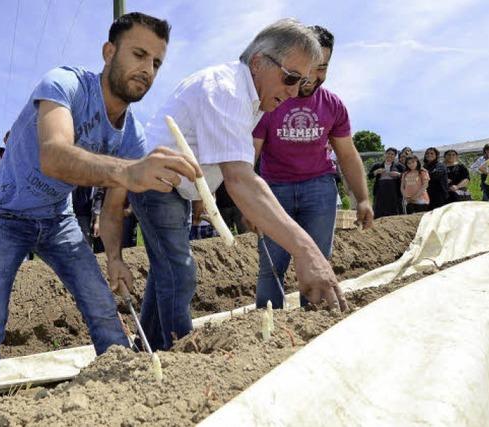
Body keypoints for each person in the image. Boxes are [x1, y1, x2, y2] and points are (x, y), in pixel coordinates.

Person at [0, 12, 201, 401]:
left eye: (156, 62)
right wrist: (132, 170)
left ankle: (127, 398)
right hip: (4, 216)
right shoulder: (64, 83)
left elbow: (111, 206)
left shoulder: (132, 135)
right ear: (109, 52)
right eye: (139, 54)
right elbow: (54, 155)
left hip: (58, 219)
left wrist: (116, 256)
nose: (147, 69)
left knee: (104, 309)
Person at [101, 19, 348, 353]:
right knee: (180, 270)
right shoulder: (226, 90)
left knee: (167, 273)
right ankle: (177, 354)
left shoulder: (255, 97)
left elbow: (223, 167)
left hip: (180, 188)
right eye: (290, 78)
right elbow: (241, 179)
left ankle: (150, 348)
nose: (294, 91)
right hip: (157, 184)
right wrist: (306, 251)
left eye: (301, 82)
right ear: (259, 62)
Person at [252, 25, 373, 308]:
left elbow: (347, 154)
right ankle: (266, 327)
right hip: (275, 190)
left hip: (319, 189)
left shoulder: (333, 106)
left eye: (323, 68)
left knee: (318, 262)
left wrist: (363, 198)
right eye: (310, 67)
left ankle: (314, 324)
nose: (314, 76)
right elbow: (251, 154)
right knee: (272, 265)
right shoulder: (271, 100)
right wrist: (252, 204)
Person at [368, 148, 404, 217]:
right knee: (379, 211)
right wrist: (376, 172)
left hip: (394, 192)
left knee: (394, 212)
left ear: (395, 156)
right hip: (380, 192)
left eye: (392, 154)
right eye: (388, 153)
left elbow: (407, 175)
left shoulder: (399, 166)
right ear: (385, 154)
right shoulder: (377, 165)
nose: (390, 155)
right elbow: (369, 176)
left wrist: (399, 174)